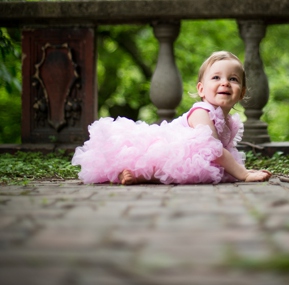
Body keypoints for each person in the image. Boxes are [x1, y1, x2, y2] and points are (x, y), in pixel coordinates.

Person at [72, 51, 271, 185]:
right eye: (216, 78)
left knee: (189, 171)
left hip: (194, 156)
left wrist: (242, 170)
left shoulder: (230, 121)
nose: (225, 83)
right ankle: (139, 173)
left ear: (242, 92)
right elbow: (215, 150)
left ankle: (139, 175)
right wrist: (244, 174)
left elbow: (225, 153)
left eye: (233, 79)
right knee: (164, 161)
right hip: (169, 148)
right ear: (201, 89)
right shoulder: (202, 112)